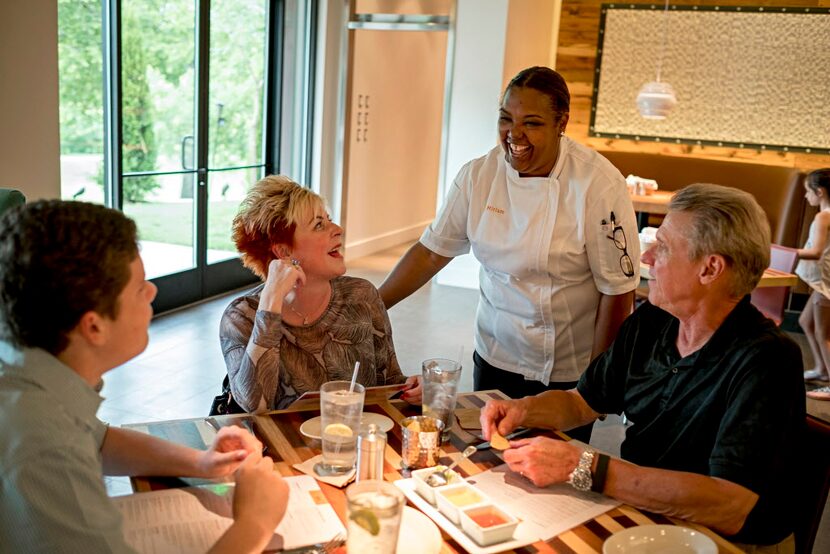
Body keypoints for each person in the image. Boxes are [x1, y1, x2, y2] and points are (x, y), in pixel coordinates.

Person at [479, 183, 805, 552]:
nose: (647, 258)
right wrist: (526, 409)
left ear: (710, 268)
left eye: (662, 247)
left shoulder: (767, 360)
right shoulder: (653, 321)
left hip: (728, 542)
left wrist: (585, 467)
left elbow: (729, 504)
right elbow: (582, 402)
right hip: (649, 515)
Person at [0, 200, 288, 553]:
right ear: (94, 326)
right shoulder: (45, 449)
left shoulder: (31, 371)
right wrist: (255, 523)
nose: (152, 292)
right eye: (139, 288)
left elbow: (98, 440)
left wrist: (200, 461)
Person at [379, 66, 639, 441]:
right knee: (489, 457)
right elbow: (431, 253)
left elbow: (616, 291)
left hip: (569, 371)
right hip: (497, 354)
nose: (513, 134)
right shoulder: (478, 176)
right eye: (505, 119)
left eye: (531, 123)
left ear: (561, 123)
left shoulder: (598, 185)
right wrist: (369, 304)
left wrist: (597, 385)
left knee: (553, 475)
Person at [220, 175, 421, 412]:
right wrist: (271, 302)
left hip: (351, 441)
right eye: (319, 225)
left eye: (330, 220)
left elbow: (390, 383)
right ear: (284, 251)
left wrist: (414, 390)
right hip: (277, 446)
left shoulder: (362, 295)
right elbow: (256, 406)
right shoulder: (242, 316)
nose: (338, 230)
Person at [796, 169, 830, 383]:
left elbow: (816, 251)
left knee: (823, 334)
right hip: (823, 283)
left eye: (808, 191)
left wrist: (785, 252)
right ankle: (821, 369)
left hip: (825, 283)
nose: (806, 196)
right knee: (805, 322)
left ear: (819, 192)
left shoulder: (822, 217)